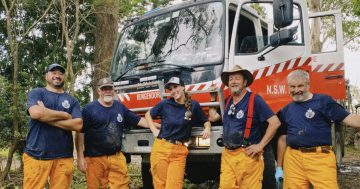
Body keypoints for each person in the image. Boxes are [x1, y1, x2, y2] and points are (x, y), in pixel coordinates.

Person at [275, 69, 360, 189]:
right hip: (293, 159)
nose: (296, 90)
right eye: (292, 87)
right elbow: (283, 139)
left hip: (320, 158)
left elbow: (350, 119)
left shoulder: (323, 101)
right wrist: (279, 167)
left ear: (308, 84)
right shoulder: (286, 110)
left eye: (300, 86)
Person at [208, 65, 281, 189]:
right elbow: (213, 117)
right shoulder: (227, 100)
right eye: (231, 79)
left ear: (245, 82)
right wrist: (213, 97)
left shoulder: (255, 100)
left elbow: (275, 122)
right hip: (228, 156)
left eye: (237, 78)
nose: (233, 81)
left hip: (248, 156)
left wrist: (260, 145)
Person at [75, 77, 152, 189]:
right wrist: (80, 157)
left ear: (114, 90)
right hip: (94, 159)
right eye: (104, 89)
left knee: (122, 185)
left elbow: (139, 120)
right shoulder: (89, 109)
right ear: (99, 91)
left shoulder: (119, 106)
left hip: (116, 156)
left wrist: (159, 126)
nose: (107, 91)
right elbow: (79, 133)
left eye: (109, 88)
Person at [145, 76, 211, 189]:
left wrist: (207, 128)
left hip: (179, 152)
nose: (173, 91)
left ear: (183, 87)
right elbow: (148, 114)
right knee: (160, 186)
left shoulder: (193, 105)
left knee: (174, 186)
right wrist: (154, 130)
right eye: (170, 89)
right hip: (161, 148)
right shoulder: (165, 104)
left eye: (175, 87)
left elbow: (205, 121)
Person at [24, 63, 83, 189]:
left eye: (60, 73)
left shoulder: (72, 100)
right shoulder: (37, 93)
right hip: (37, 154)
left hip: (64, 157)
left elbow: (78, 125)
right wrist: (65, 115)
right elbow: (36, 113)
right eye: (53, 72)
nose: (57, 76)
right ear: (46, 76)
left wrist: (46, 117)